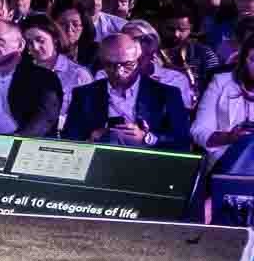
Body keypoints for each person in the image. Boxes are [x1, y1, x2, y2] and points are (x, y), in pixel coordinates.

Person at [63, 31, 194, 151]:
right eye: (110, 65)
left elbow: (183, 141)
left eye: (127, 65)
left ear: (139, 61)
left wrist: (146, 138)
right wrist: (92, 138)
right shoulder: (85, 94)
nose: (119, 72)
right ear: (102, 62)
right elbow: (69, 140)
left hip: (148, 164)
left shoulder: (166, 94)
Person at [190, 32, 254, 224]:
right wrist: (229, 137)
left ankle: (212, 210)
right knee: (243, 146)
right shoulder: (222, 82)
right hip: (223, 162)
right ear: (243, 59)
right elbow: (198, 130)